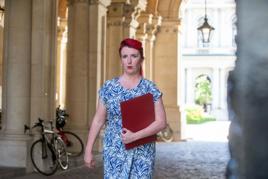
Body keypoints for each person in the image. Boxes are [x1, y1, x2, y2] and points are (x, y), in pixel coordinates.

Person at [84, 38, 167, 178]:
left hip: (142, 151)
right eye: (125, 56)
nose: (129, 61)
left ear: (141, 59)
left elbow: (161, 122)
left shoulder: (150, 88)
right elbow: (98, 119)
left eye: (134, 56)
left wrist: (134, 136)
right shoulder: (109, 87)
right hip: (114, 150)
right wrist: (88, 149)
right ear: (121, 60)